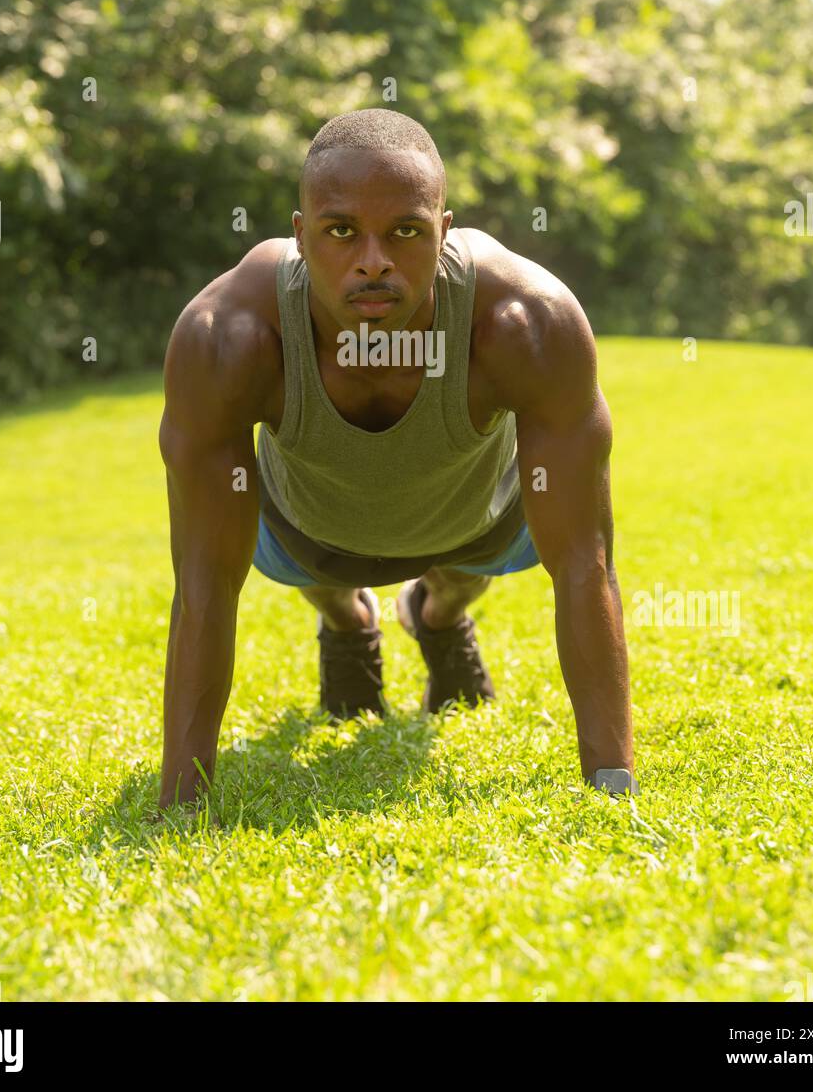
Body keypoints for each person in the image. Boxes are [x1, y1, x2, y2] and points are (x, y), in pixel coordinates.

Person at [158, 108, 637, 808]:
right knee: (318, 577)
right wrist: (181, 803)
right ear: (301, 237)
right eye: (341, 231)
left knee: (460, 580)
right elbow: (204, 581)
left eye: (406, 231)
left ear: (444, 233)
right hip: (307, 534)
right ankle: (349, 622)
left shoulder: (526, 321)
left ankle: (436, 618)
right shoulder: (226, 335)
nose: (373, 259)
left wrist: (611, 786)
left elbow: (582, 560)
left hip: (477, 524)